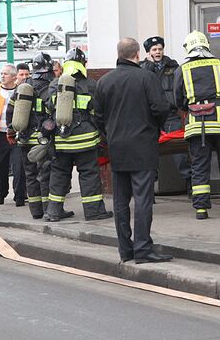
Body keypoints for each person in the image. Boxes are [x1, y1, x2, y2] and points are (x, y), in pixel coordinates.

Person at [94, 38, 172, 264]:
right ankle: (143, 249)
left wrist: (110, 135)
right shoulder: (146, 77)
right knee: (143, 199)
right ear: (138, 54)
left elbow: (98, 116)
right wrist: (154, 127)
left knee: (120, 201)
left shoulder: (104, 81)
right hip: (143, 145)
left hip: (117, 147)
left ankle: (125, 250)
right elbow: (160, 108)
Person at [174, 31, 220, 220]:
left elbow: (178, 101)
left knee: (199, 166)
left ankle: (201, 209)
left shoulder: (182, 69)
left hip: (198, 125)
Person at [45, 48, 113, 222]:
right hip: (86, 141)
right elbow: (98, 112)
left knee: (59, 174)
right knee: (89, 174)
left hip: (61, 140)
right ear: (83, 64)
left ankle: (53, 212)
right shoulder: (90, 84)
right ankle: (93, 212)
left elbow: (48, 110)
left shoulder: (55, 84)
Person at [6, 52, 56, 219]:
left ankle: (35, 211)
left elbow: (11, 109)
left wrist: (11, 131)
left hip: (25, 139)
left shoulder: (24, 85)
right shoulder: (51, 85)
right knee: (46, 174)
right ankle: (48, 208)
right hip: (43, 139)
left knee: (31, 175)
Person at [140, 36, 191, 193]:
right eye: (154, 50)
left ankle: (191, 184)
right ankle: (149, 190)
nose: (158, 52)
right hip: (149, 117)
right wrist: (148, 65)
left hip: (170, 115)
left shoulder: (173, 66)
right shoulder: (142, 68)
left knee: (180, 153)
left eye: (160, 49)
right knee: (149, 153)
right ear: (148, 52)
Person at [0, 66, 26, 206]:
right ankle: (2, 192)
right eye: (1, 73)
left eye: (6, 74)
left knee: (19, 168)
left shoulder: (21, 90)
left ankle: (20, 196)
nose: (2, 76)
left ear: (14, 77)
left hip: (16, 135)